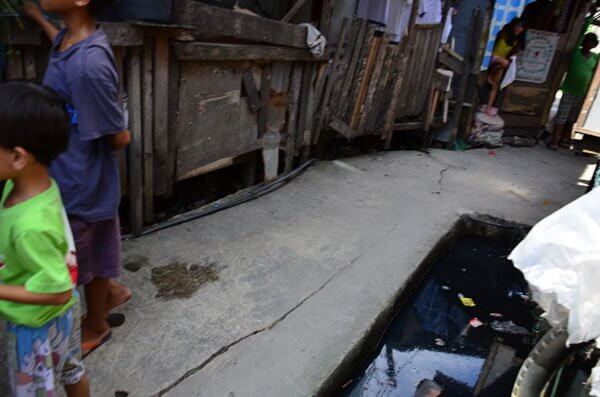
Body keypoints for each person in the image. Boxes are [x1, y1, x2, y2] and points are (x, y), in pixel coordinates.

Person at [23, 0, 132, 356]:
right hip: (70, 169)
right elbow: (63, 54)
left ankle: (97, 325)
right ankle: (111, 293)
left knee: (86, 255)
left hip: (82, 180)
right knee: (92, 245)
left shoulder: (88, 65)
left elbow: (117, 135)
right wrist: (39, 18)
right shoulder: (71, 42)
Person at [0, 81, 89, 396]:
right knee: (71, 368)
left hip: (34, 327)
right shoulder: (31, 185)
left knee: (36, 389)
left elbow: (58, 293)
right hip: (63, 317)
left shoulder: (29, 226)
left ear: (19, 157)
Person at [550, 23, 599, 149]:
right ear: (584, 42)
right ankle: (555, 141)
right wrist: (588, 18)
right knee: (562, 116)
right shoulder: (576, 53)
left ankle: (565, 140)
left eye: (592, 42)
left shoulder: (595, 58)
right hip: (569, 90)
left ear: (595, 45)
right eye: (587, 41)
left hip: (582, 93)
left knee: (572, 119)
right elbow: (580, 33)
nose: (589, 44)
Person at [486, 18, 526, 116]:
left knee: (495, 86)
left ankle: (488, 108)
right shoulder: (503, 34)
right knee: (505, 63)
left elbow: (513, 54)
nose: (519, 29)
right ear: (513, 26)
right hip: (493, 57)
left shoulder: (516, 41)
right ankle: (491, 74)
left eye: (521, 27)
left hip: (500, 62)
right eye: (518, 26)